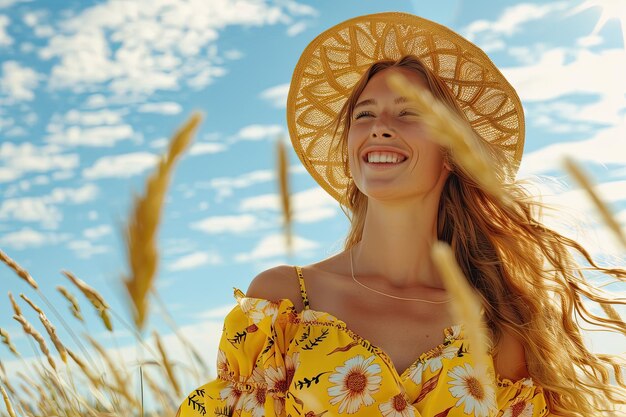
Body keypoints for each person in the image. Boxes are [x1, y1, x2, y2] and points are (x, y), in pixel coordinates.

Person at [177, 12, 625, 417]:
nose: (380, 126)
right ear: (351, 154)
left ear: (451, 153)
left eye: (408, 113)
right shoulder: (282, 305)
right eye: (364, 115)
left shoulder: (496, 326)